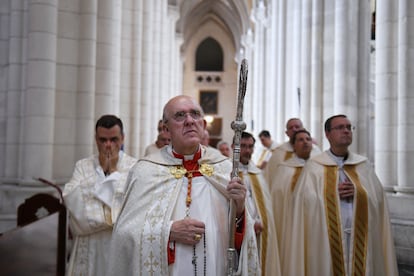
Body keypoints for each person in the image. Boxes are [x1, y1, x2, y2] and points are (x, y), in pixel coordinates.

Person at [107, 95, 260, 275]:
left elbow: (239, 236)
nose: (189, 121)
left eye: (195, 114)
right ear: (166, 129)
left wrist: (240, 210)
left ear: (202, 125)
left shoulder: (225, 168)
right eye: (180, 115)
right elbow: (124, 233)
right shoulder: (145, 171)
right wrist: (168, 231)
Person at [285, 115, 398, 276]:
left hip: (360, 242)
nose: (346, 131)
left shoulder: (363, 165)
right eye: (340, 127)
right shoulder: (313, 168)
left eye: (349, 127)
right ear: (327, 134)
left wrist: (360, 192)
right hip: (326, 244)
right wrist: (329, 194)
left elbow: (379, 201)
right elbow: (304, 205)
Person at [63, 114, 138, 276]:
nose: (108, 145)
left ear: (123, 138)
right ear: (96, 139)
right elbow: (73, 202)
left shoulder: (135, 167)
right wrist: (113, 215)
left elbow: (134, 209)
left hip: (119, 246)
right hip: (89, 247)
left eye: (114, 140)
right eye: (103, 140)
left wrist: (108, 178)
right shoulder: (83, 166)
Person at [233, 131, 281, 276]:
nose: (247, 150)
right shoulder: (226, 172)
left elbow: (263, 206)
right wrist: (249, 223)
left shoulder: (258, 174)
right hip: (238, 232)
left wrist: (260, 221)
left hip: (259, 231)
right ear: (234, 147)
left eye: (250, 146)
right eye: (243, 146)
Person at [269, 129, 312, 275]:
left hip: (314, 224)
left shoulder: (319, 168)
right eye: (301, 140)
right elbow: (278, 198)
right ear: (293, 146)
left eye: (308, 139)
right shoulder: (284, 169)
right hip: (291, 224)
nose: (305, 142)